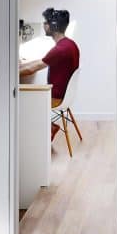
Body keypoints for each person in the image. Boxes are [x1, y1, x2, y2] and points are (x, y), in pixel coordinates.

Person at [19, 8, 80, 141]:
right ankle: (48, 127)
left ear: (53, 26)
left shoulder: (60, 49)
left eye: (45, 23)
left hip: (56, 97)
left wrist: (10, 72)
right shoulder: (69, 44)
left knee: (20, 99)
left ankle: (39, 135)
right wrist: (20, 66)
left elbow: (32, 69)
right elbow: (42, 61)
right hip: (65, 96)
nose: (43, 25)